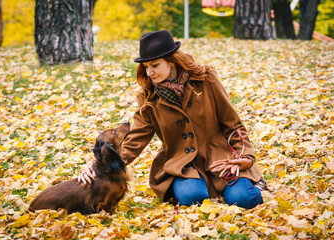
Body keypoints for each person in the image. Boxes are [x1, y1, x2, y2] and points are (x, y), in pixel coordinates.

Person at [79, 29, 267, 209]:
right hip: (183, 165)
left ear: (172, 61)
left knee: (243, 199)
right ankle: (206, 190)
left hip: (221, 159)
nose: (149, 73)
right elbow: (134, 141)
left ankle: (256, 184)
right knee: (192, 198)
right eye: (146, 67)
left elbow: (233, 124)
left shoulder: (206, 78)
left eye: (155, 65)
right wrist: (98, 166)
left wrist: (246, 158)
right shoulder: (148, 97)